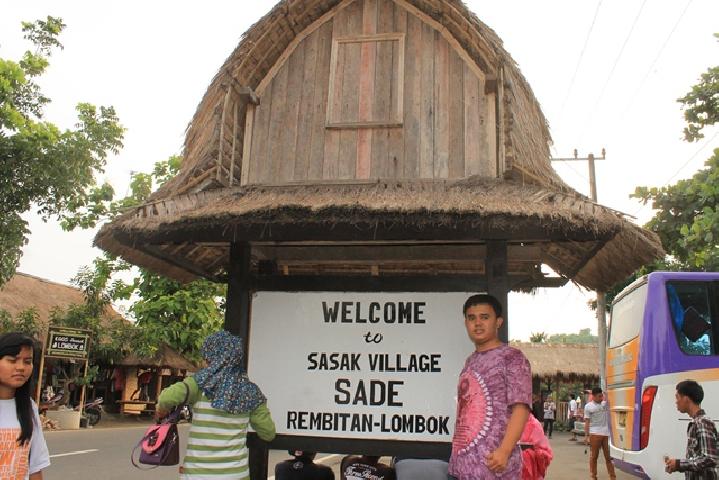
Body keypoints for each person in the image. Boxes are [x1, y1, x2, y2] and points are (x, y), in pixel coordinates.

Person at [157, 330, 276, 479]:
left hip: (197, 475)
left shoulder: (198, 384)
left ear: (211, 358)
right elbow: (268, 433)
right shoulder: (251, 392)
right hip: (235, 475)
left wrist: (161, 411)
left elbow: (166, 398)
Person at [448, 294, 532, 479]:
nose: (478, 323)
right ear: (466, 323)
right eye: (472, 318)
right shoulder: (470, 361)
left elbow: (521, 408)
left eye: (484, 317)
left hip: (494, 467)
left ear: (498, 322)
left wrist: (504, 451)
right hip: (460, 467)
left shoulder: (512, 358)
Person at [0, 332, 50, 480]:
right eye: (12, 360)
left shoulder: (30, 408)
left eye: (27, 362)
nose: (21, 367)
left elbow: (35, 467)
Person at [664, 380, 719, 478]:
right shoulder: (697, 423)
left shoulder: (702, 423)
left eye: (677, 397)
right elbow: (698, 459)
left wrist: (679, 464)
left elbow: (709, 458)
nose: (676, 402)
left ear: (686, 399)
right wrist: (677, 466)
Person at [584, 386, 616, 480]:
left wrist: (605, 392)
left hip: (606, 434)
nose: (601, 398)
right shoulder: (588, 406)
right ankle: (593, 476)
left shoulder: (605, 404)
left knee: (608, 457)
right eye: (599, 396)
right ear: (593, 396)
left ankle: (612, 477)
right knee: (594, 457)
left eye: (602, 396)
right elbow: (587, 422)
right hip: (594, 434)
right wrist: (586, 436)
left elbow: (611, 396)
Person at [519, 414, 553, 479]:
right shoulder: (502, 422)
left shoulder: (534, 424)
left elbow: (546, 454)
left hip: (530, 472)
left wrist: (538, 453)